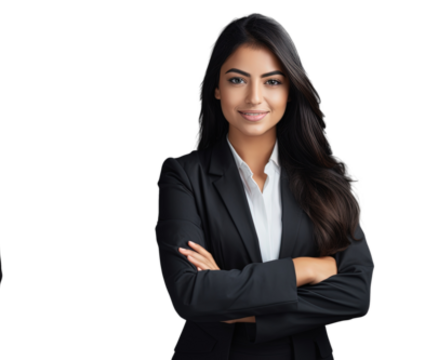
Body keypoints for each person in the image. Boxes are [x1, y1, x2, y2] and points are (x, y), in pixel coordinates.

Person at [156, 12, 374, 360]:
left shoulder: (327, 176)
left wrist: (239, 308)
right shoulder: (183, 175)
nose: (255, 97)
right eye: (238, 80)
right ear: (217, 87)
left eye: (272, 81)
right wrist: (306, 269)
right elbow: (190, 293)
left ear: (290, 89)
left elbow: (357, 293)